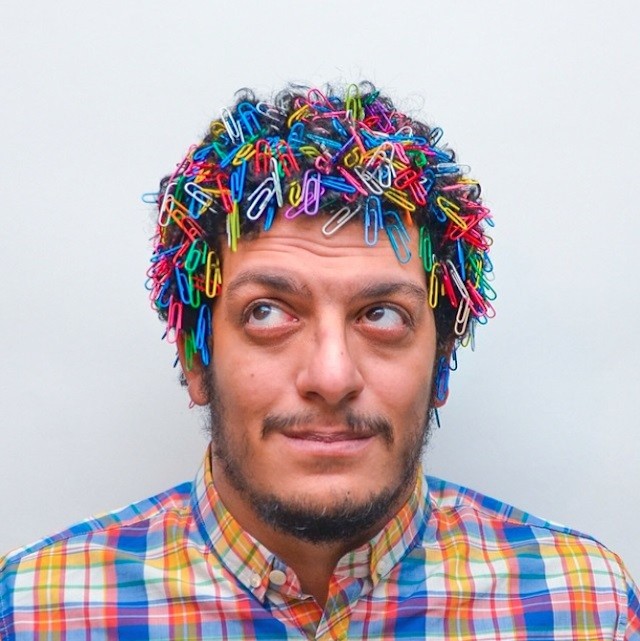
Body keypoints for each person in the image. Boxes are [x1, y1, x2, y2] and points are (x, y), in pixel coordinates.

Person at [1, 82, 638, 641]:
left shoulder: (583, 608)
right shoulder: (35, 613)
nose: (332, 378)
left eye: (381, 315)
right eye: (267, 313)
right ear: (196, 358)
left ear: (441, 360)